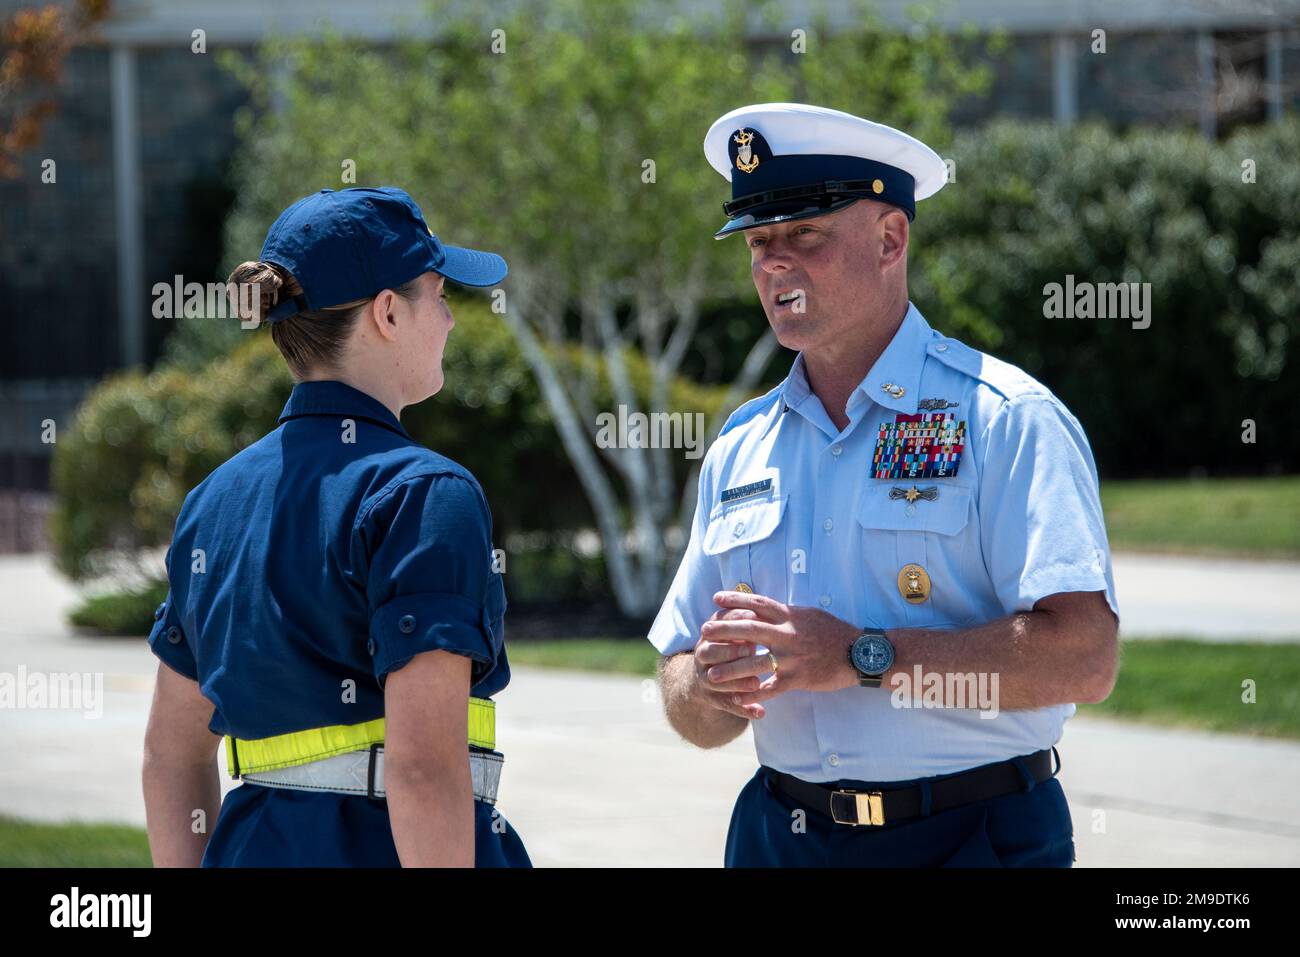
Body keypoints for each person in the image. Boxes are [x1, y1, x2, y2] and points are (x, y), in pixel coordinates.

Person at [649, 104, 1120, 867]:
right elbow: (679, 676)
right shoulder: (742, 445)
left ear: (890, 239)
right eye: (759, 241)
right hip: (779, 837)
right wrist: (705, 686)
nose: (774, 263)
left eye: (805, 234)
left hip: (969, 833)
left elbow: (1085, 658)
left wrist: (867, 656)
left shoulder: (1005, 419)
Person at [142, 186, 531, 867]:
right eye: (439, 294)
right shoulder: (426, 495)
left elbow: (169, 758)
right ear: (387, 311)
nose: (449, 319)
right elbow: (421, 771)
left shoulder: (211, 502)